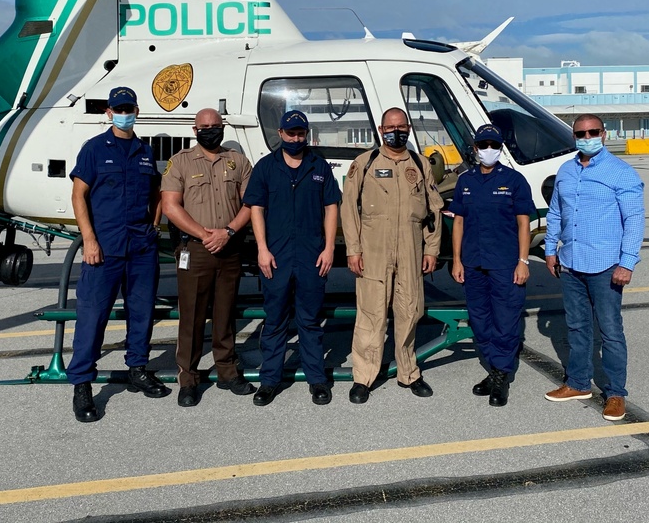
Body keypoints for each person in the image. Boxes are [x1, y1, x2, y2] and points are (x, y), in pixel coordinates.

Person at [67, 86, 168, 423]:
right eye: (118, 108)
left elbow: (155, 191)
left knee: (141, 313)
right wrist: (89, 240)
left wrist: (154, 226)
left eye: (129, 107)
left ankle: (137, 369)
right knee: (92, 316)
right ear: (108, 113)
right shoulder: (95, 149)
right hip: (105, 249)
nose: (125, 113)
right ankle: (82, 384)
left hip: (141, 247)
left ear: (136, 110)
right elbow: (79, 196)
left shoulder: (144, 150)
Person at [543, 113, 644, 421]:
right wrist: (550, 249)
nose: (587, 137)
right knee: (576, 327)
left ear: (604, 133)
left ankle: (615, 394)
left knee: (611, 331)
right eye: (580, 133)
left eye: (592, 131)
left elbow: (635, 222)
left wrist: (627, 263)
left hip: (606, 266)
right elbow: (556, 213)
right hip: (572, 263)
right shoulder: (565, 170)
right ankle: (577, 382)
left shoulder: (621, 173)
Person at [340, 107, 443, 403]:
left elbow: (433, 210)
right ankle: (363, 377)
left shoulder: (420, 164)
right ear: (381, 129)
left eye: (400, 126)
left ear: (408, 128)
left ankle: (408, 372)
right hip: (373, 251)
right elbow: (349, 209)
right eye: (389, 127)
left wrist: (432, 249)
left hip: (410, 249)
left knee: (410, 311)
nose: (395, 131)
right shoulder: (365, 162)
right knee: (371, 315)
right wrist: (354, 250)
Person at [243, 110, 341, 406]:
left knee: (310, 321)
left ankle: (317, 379)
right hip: (277, 255)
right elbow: (256, 208)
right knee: (274, 321)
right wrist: (262, 248)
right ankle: (269, 381)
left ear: (306, 134)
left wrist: (329, 248)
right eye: (291, 133)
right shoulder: (266, 167)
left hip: (312, 255)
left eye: (301, 133)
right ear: (281, 134)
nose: (296, 138)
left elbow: (331, 207)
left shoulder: (319, 166)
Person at [162, 108, 254, 407]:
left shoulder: (237, 161)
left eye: (215, 125)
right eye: (204, 126)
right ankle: (188, 378)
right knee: (191, 316)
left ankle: (227, 371)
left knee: (225, 314)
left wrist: (228, 232)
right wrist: (205, 234)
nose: (210, 130)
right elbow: (170, 207)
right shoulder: (180, 162)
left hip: (229, 247)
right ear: (195, 130)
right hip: (197, 249)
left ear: (222, 127)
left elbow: (251, 202)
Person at [449, 123, 535, 407]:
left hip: (505, 263)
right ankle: (494, 366)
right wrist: (457, 260)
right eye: (483, 145)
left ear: (500, 148)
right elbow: (458, 222)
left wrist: (523, 261)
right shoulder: (466, 181)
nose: (488, 150)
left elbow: (525, 223)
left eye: (493, 145)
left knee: (506, 320)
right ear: (475, 149)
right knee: (480, 320)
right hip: (473, 263)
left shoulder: (513, 180)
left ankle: (500, 374)